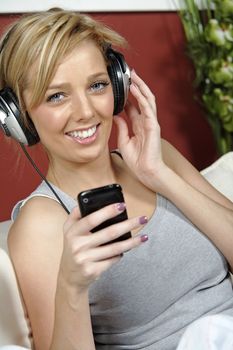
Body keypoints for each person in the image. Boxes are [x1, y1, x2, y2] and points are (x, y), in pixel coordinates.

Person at [0, 8, 233, 350]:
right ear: (20, 117)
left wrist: (160, 176)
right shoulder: (41, 225)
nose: (85, 111)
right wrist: (72, 287)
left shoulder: (159, 158)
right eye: (56, 95)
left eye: (97, 85)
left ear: (119, 85)